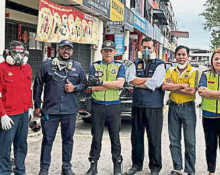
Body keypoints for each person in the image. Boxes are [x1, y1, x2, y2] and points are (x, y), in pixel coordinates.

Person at [33, 40, 87, 175]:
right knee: (47, 140)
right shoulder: (47, 66)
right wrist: (37, 106)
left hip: (69, 111)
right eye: (63, 49)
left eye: (69, 49)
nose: (66, 52)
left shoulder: (78, 67)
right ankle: (44, 169)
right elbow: (38, 85)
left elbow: (85, 85)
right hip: (50, 110)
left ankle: (66, 167)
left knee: (68, 140)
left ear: (72, 52)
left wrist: (74, 88)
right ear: (59, 50)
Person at [0, 40, 33, 175]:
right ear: (8, 53)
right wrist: (2, 115)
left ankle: (21, 170)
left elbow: (28, 90)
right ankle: (4, 172)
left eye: (21, 52)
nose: (19, 56)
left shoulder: (27, 68)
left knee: (21, 145)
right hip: (8, 116)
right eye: (15, 52)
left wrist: (30, 108)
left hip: (23, 114)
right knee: (5, 147)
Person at [125, 37, 166, 175]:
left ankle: (155, 167)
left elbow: (156, 83)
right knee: (136, 137)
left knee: (154, 138)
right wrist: (148, 81)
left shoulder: (160, 64)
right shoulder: (134, 63)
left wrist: (141, 82)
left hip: (154, 107)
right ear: (140, 48)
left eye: (149, 47)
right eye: (144, 47)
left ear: (154, 49)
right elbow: (130, 79)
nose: (146, 50)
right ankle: (136, 165)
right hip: (137, 106)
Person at [85, 40, 126, 175]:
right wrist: (110, 84)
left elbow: (120, 84)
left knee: (115, 137)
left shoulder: (120, 67)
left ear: (114, 52)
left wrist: (102, 82)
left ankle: (117, 166)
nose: (108, 53)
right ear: (101, 52)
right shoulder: (95, 67)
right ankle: (93, 165)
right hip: (98, 106)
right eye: (105, 50)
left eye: (110, 51)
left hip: (113, 106)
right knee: (96, 137)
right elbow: (92, 86)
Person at [161, 45, 199, 175]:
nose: (181, 57)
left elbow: (191, 91)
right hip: (173, 107)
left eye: (184, 54)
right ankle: (177, 168)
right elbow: (165, 86)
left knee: (190, 141)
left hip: (188, 108)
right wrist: (183, 85)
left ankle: (190, 170)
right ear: (175, 56)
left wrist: (174, 86)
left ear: (188, 56)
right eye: (179, 54)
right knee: (174, 140)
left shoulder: (194, 71)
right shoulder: (171, 70)